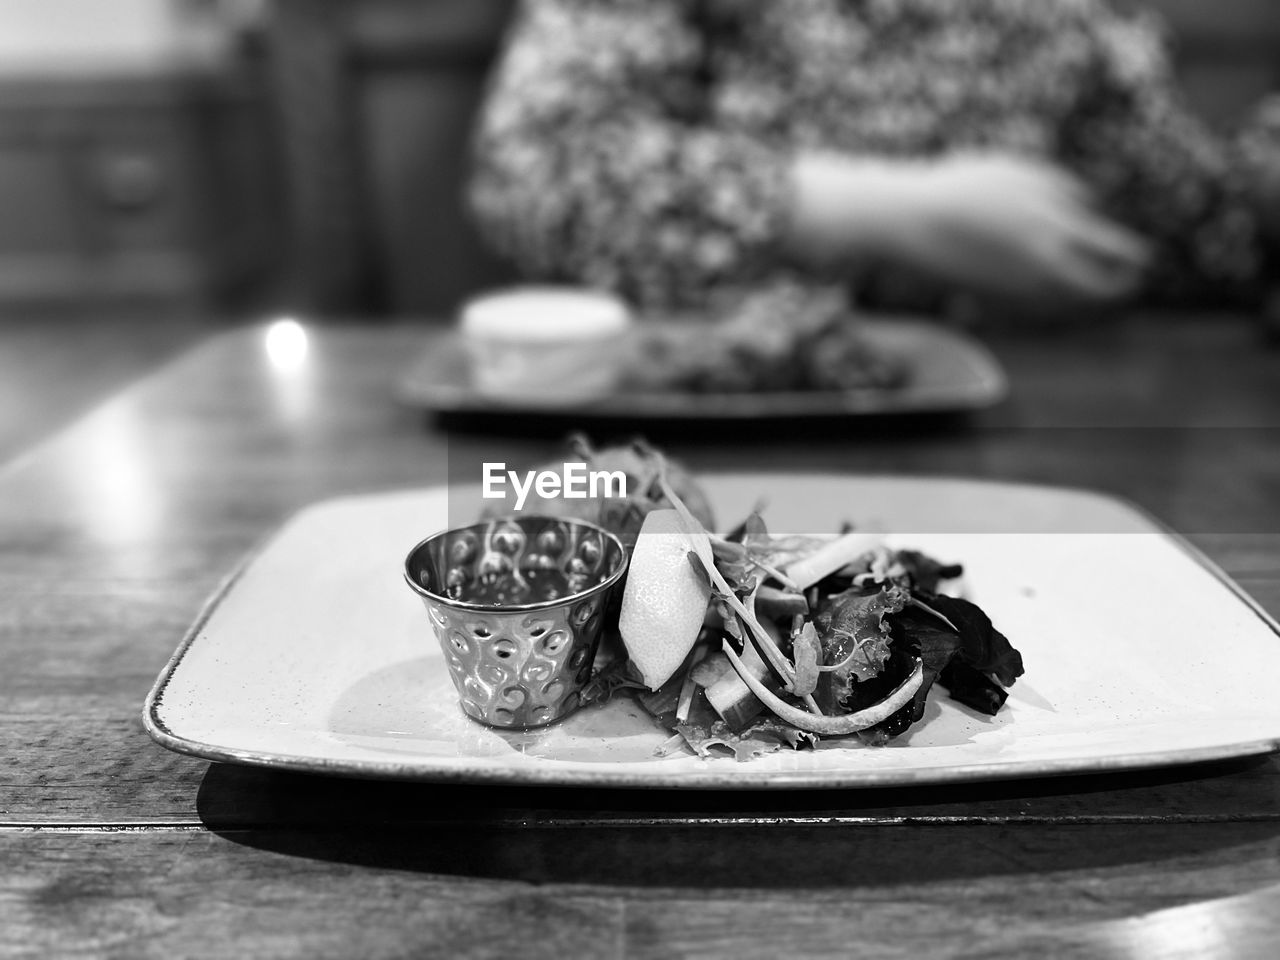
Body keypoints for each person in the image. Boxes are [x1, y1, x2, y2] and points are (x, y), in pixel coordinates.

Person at [468, 0, 1280, 317]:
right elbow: (535, 170)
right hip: (699, 437)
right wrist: (892, 211)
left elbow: (1199, 223)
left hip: (1021, 427)